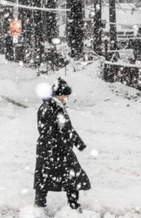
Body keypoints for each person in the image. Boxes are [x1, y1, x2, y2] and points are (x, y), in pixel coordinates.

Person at [34, 77, 91, 212]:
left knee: (48, 178)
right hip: (55, 150)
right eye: (66, 95)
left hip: (55, 149)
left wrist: (78, 144)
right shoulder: (52, 109)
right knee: (67, 177)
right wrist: (50, 152)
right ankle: (70, 204)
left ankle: (42, 205)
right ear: (59, 95)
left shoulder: (52, 107)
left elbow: (64, 129)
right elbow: (55, 131)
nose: (67, 98)